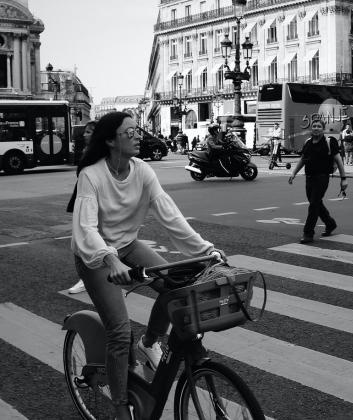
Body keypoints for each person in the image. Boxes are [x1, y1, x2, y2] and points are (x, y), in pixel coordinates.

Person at [68, 112, 224, 419]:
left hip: (128, 245)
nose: (138, 135)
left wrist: (205, 249)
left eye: (137, 130)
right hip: (96, 256)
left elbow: (170, 214)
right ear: (111, 140)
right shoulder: (91, 175)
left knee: (175, 290)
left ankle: (150, 342)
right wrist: (109, 259)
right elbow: (85, 228)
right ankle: (119, 406)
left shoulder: (142, 170)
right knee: (118, 331)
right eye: (130, 132)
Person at [288, 119, 348, 244]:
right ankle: (330, 224)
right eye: (314, 126)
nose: (316, 128)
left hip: (322, 177)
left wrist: (343, 179)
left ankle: (308, 233)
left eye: (318, 126)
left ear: (323, 129)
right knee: (316, 203)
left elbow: (338, 160)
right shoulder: (308, 142)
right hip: (309, 177)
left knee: (314, 204)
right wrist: (293, 173)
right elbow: (303, 159)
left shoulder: (329, 141)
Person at [68, 119, 99, 295]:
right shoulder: (89, 151)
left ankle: (87, 279)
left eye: (88, 131)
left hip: (91, 200)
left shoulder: (96, 154)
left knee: (86, 238)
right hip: (85, 197)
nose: (84, 134)